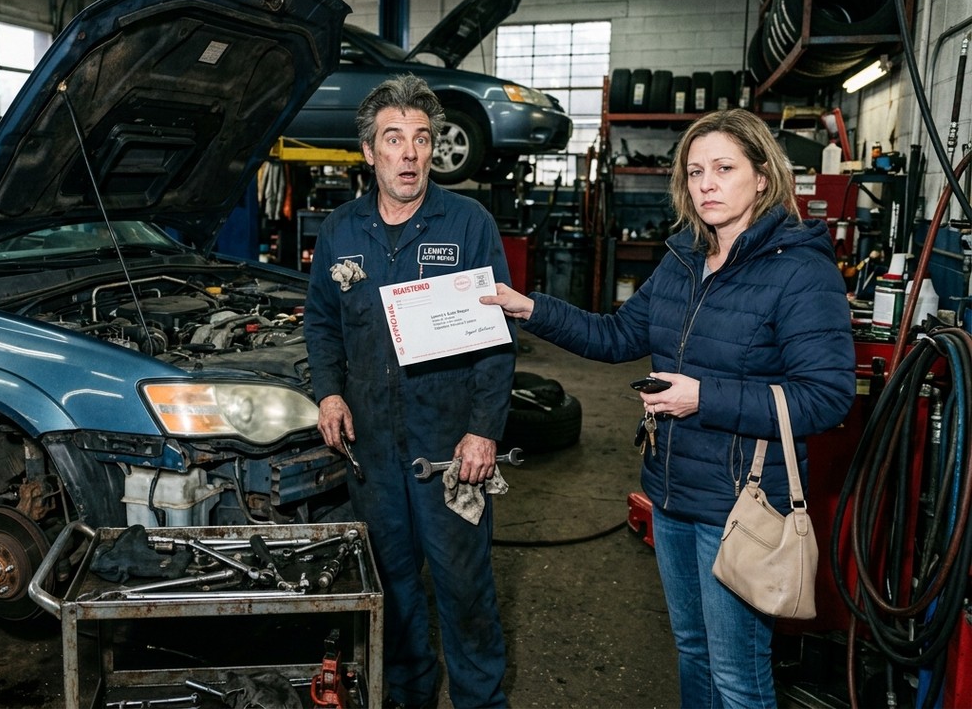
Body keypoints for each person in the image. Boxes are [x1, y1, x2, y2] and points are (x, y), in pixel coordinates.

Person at [482, 108, 855, 708]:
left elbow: (826, 397)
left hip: (742, 503)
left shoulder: (802, 273)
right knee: (691, 649)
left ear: (763, 177)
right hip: (672, 490)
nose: (706, 182)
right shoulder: (682, 260)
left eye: (724, 168)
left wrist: (701, 398)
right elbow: (616, 337)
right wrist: (530, 309)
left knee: (738, 675)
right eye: (695, 170)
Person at [304, 74, 514, 708]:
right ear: (369, 152)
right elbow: (321, 322)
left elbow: (497, 337)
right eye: (394, 139)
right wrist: (330, 393)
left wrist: (484, 429)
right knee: (391, 587)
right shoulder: (340, 230)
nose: (411, 153)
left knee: (463, 587)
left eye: (423, 139)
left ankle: (481, 702)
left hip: (449, 448)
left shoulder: (468, 223)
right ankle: (408, 695)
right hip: (372, 449)